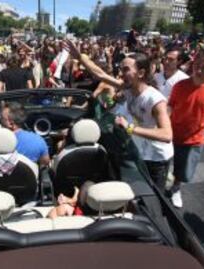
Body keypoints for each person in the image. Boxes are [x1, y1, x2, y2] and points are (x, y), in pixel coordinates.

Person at [65, 40, 173, 193]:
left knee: (153, 200)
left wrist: (129, 128)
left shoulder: (154, 100)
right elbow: (101, 74)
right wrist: (80, 57)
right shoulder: (128, 89)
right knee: (137, 193)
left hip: (157, 159)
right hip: (141, 152)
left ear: (141, 73)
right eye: (121, 69)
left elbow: (167, 135)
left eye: (126, 70)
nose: (121, 73)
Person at [168, 46, 204, 208]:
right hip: (171, 134)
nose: (199, 70)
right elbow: (170, 108)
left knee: (183, 171)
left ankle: (176, 188)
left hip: (194, 138)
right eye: (197, 64)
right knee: (163, 165)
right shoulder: (180, 86)